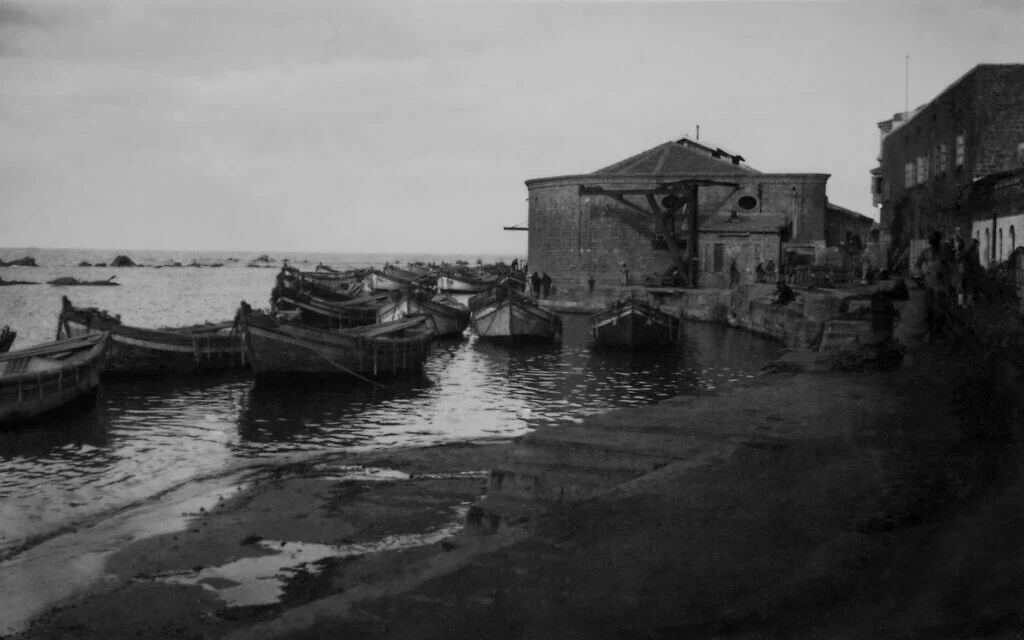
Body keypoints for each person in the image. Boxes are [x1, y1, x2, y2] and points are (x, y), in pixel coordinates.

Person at [914, 230, 950, 344]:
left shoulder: (945, 252)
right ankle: (930, 333)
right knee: (928, 310)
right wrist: (920, 278)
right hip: (929, 285)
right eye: (931, 239)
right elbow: (917, 265)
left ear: (939, 240)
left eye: (935, 239)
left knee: (941, 311)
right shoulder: (926, 252)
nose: (932, 241)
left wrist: (955, 282)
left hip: (942, 286)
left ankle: (940, 334)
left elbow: (953, 267)